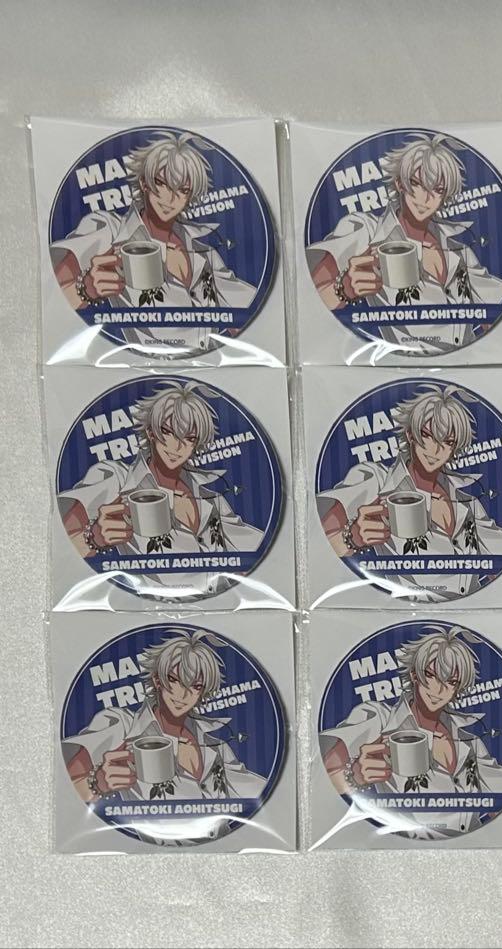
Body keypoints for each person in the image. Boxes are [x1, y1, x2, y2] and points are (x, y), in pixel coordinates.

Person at [50, 131, 257, 355]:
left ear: (190, 196)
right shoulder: (111, 230)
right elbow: (52, 298)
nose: (170, 199)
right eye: (161, 183)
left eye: (183, 190)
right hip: (141, 366)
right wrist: (87, 289)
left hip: (211, 364)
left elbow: (250, 315)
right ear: (144, 183)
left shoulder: (203, 251)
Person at [306, 132, 502, 354]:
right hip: (402, 365)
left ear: (445, 196)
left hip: (469, 363)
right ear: (399, 183)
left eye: (437, 190)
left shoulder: (459, 251)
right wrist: (344, 289)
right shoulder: (367, 231)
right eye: (416, 183)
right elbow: (309, 296)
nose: (425, 198)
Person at [58, 380, 264, 598]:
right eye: (168, 432)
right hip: (143, 607)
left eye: (189, 438)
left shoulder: (211, 498)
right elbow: (63, 545)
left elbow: (257, 549)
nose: (177, 446)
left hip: (221, 604)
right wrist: (95, 538)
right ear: (151, 432)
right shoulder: (117, 479)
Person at [62, 628, 266, 845]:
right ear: (157, 680)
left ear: (203, 692)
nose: (183, 694)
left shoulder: (215, 745)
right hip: (153, 857)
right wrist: (99, 783)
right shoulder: (123, 726)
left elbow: (259, 793)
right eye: (174, 680)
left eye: (195, 686)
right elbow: (65, 784)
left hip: (227, 850)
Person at [318, 384, 502, 601]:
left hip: (473, 608)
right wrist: (353, 537)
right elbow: (317, 541)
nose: (435, 450)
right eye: (427, 435)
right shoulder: (378, 481)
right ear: (410, 434)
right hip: (403, 611)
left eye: (448, 442)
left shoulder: (467, 502)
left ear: (455, 448)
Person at [320, 626, 502, 840]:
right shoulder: (380, 719)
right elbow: (321, 772)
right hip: (403, 845)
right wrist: (356, 775)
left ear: (458, 688)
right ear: (414, 674)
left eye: (451, 682)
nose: (438, 690)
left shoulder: (469, 740)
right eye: (430, 675)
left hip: (474, 842)